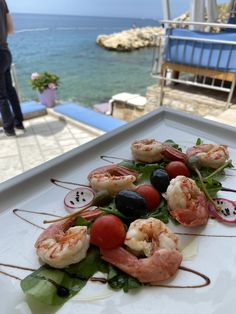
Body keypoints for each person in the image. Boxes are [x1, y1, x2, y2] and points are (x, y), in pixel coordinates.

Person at [0, 0, 24, 136]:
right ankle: (18, 122)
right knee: (10, 90)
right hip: (5, 51)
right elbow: (11, 29)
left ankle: (9, 128)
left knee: (1, 95)